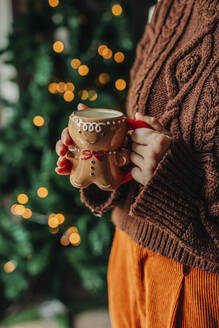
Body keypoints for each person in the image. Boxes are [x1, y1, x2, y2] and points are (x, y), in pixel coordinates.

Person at [56, 0, 219, 326]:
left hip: (199, 286)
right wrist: (106, 160)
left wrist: (175, 182)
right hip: (128, 257)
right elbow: (146, 108)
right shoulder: (173, 4)